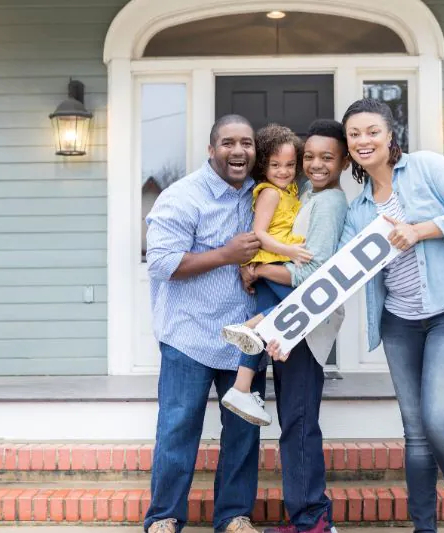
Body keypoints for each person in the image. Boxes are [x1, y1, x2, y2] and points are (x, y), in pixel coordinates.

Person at [336, 98, 444, 533]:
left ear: (390, 135)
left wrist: (419, 230)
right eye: (354, 135)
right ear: (348, 147)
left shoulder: (426, 168)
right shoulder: (359, 209)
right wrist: (280, 323)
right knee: (417, 434)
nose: (363, 140)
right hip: (401, 322)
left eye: (371, 131)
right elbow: (339, 273)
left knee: (441, 423)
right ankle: (423, 527)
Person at [143, 114, 264, 533]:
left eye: (246, 143)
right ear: (211, 150)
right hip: (188, 335)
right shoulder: (182, 196)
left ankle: (233, 515)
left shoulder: (262, 195)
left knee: (243, 434)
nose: (239, 151)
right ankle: (164, 516)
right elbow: (160, 262)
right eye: (228, 143)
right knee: (178, 429)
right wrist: (227, 255)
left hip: (244, 339)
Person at [244, 119, 350, 533]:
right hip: (291, 324)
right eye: (310, 157)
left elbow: (314, 274)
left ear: (343, 161)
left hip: (304, 327)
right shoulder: (306, 194)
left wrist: (261, 270)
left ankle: (313, 521)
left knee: (300, 422)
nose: (316, 164)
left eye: (327, 157)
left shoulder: (329, 203)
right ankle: (307, 516)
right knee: (295, 420)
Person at [221, 124, 312, 427]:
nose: (283, 171)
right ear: (263, 166)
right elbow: (259, 234)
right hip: (273, 263)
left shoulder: (290, 190)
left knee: (275, 317)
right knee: (303, 306)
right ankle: (251, 326)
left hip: (272, 265)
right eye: (275, 165)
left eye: (289, 165)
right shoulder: (270, 193)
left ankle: (241, 387)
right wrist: (291, 252)